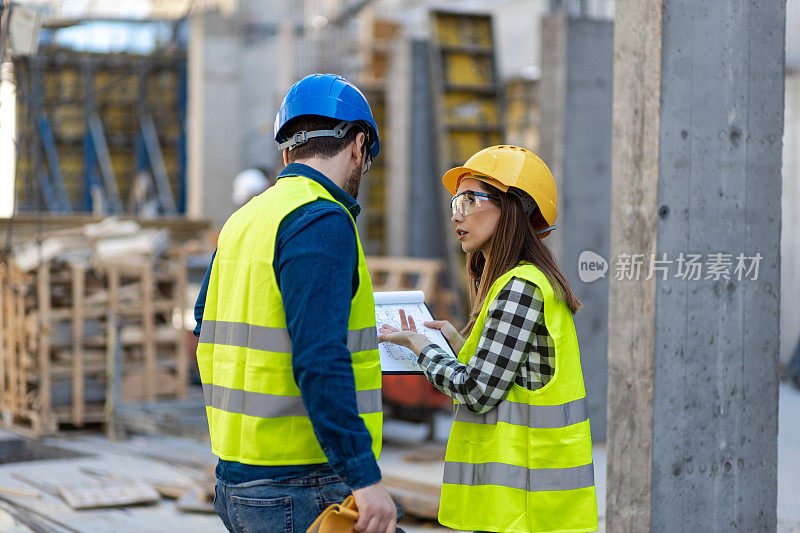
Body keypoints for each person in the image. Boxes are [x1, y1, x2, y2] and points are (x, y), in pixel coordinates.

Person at [195, 74, 396, 533]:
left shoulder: (244, 220)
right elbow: (319, 358)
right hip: (300, 485)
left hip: (237, 481)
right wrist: (364, 477)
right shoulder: (322, 218)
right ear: (359, 146)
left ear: (287, 152)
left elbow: (202, 323)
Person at [378, 145, 598, 533]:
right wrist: (457, 345)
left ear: (511, 208)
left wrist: (422, 348)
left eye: (469, 199)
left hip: (523, 509)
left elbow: (476, 391)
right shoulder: (521, 283)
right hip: (524, 506)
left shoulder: (520, 287)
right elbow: (515, 378)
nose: (457, 214)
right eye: (454, 203)